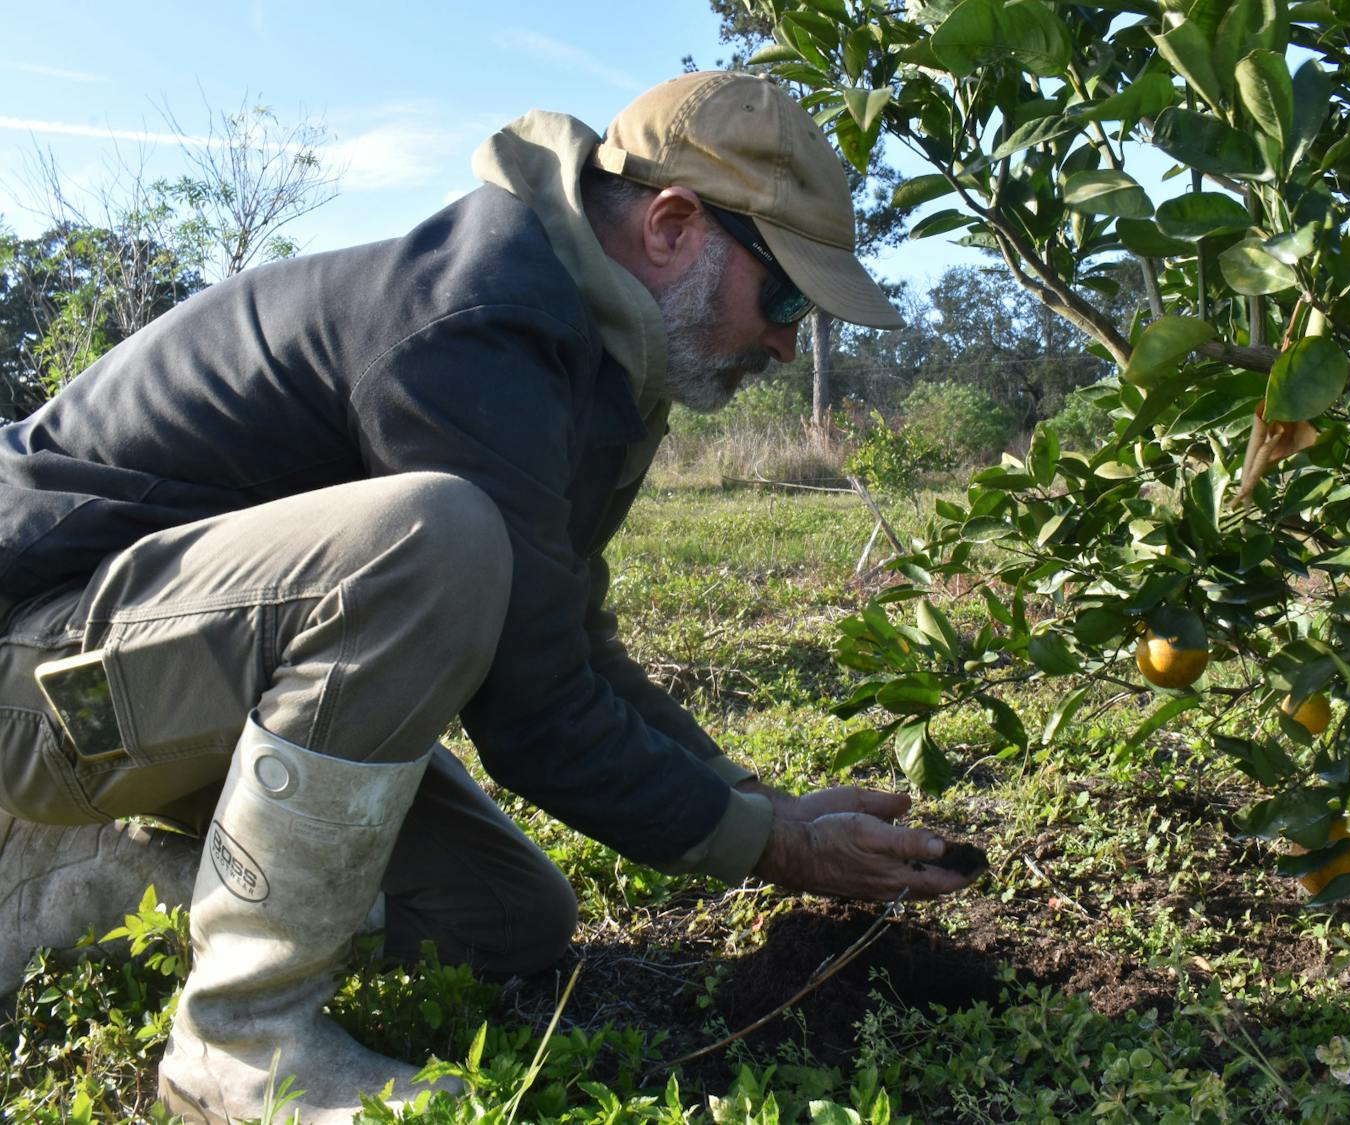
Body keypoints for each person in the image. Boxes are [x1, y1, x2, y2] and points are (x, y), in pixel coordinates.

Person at [0, 71, 979, 1122]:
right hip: (42, 679)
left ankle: (69, 879)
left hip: (167, 679)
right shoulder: (474, 328)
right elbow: (536, 710)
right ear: (673, 225)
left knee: (505, 917)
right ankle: (241, 1042)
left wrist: (755, 801)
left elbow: (569, 642)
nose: (787, 342)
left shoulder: (592, 349)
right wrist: (776, 848)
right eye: (784, 297)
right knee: (434, 534)